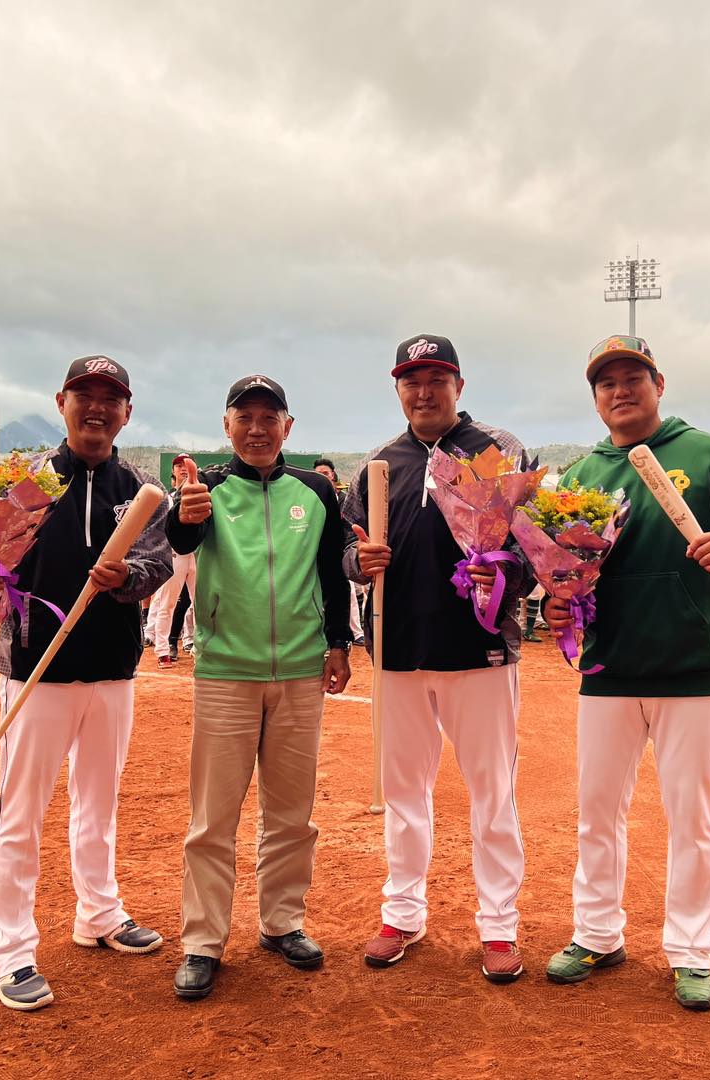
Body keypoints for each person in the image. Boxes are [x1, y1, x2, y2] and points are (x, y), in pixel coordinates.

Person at [541, 335, 710, 1012]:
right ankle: (597, 934)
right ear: (595, 396)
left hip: (691, 665)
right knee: (596, 814)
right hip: (608, 666)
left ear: (659, 383)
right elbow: (566, 570)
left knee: (691, 819)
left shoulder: (705, 453)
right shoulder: (581, 473)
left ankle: (690, 951)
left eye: (632, 377)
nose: (620, 390)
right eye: (607, 382)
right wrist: (559, 595)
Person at [0, 355, 173, 1012]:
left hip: (111, 670)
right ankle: (12, 949)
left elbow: (158, 561)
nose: (98, 407)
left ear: (127, 412)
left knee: (98, 801)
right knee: (21, 813)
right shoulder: (22, 483)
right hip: (35, 669)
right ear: (62, 402)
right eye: (86, 395)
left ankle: (99, 913)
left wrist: (130, 579)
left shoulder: (140, 487)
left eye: (111, 398)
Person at [344, 333, 534, 984]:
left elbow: (535, 552)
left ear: (459, 384)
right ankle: (403, 913)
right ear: (398, 389)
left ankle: (499, 925)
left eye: (435, 378)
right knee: (403, 795)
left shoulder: (497, 452)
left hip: (479, 653)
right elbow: (349, 552)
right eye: (410, 380)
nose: (422, 391)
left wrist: (505, 577)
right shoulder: (379, 463)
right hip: (399, 654)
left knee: (493, 795)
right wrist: (357, 562)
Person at [166, 374, 353, 1000]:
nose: (256, 428)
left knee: (292, 815)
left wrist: (338, 647)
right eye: (243, 417)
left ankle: (282, 923)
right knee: (212, 818)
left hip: (301, 671)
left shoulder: (316, 491)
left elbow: (333, 572)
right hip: (226, 674)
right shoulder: (208, 490)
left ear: (288, 428)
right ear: (226, 425)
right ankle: (202, 940)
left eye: (268, 418)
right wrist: (184, 514)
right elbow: (182, 537)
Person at [146, 459, 199, 666]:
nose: (183, 469)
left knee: (201, 603)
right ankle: (162, 650)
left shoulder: (202, 494)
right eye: (178, 466)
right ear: (173, 472)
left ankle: (197, 645)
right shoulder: (167, 498)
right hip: (175, 554)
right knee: (167, 603)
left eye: (186, 466)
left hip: (197, 554)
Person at [313, 457, 367, 645]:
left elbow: (351, 526)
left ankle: (356, 632)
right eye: (318, 474)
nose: (323, 477)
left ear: (333, 475)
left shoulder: (344, 499)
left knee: (350, 593)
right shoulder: (310, 497)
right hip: (319, 554)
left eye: (326, 473)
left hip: (345, 552)